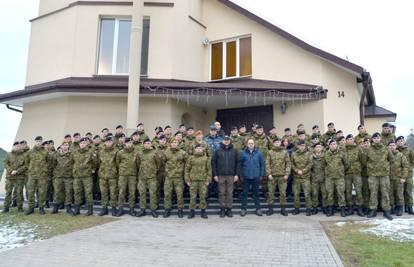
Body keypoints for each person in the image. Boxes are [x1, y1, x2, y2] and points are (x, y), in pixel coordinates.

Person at [362, 132, 393, 220]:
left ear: (380, 139)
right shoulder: (368, 149)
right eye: (374, 138)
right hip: (373, 175)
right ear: (372, 139)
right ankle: (373, 210)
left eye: (378, 138)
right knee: (373, 193)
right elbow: (364, 161)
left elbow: (391, 160)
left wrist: (385, 167)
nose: (376, 139)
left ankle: (386, 210)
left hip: (384, 175)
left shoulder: (386, 149)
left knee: (385, 193)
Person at [212, 136, 239, 217]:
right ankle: (222, 209)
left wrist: (236, 174)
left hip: (231, 175)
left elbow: (238, 163)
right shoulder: (217, 151)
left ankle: (229, 209)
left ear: (230, 141)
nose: (226, 141)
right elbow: (213, 163)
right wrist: (215, 174)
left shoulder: (234, 151)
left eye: (228, 140)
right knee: (221, 193)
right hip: (220, 175)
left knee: (230, 193)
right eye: (225, 140)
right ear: (222, 141)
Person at [136, 139, 163, 218]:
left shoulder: (155, 152)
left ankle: (153, 210)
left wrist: (154, 170)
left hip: (152, 177)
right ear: (143, 144)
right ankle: (142, 209)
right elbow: (138, 163)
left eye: (149, 143)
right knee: (142, 193)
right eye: (146, 143)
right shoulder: (140, 153)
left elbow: (159, 163)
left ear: (151, 144)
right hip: (142, 177)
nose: (147, 144)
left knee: (152, 193)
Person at [238, 139, 265, 217]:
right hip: (246, 176)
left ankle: (258, 209)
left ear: (254, 144)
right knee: (245, 193)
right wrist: (241, 175)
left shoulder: (259, 153)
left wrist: (261, 174)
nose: (251, 145)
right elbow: (240, 165)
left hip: (256, 176)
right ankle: (243, 209)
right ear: (247, 144)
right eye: (249, 143)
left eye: (252, 143)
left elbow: (262, 165)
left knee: (256, 193)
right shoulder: (243, 153)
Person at [26, 136, 52, 215]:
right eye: (37, 141)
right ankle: (31, 208)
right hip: (32, 175)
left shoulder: (45, 152)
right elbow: (27, 162)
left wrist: (45, 169)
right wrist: (31, 169)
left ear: (41, 142)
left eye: (40, 141)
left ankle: (41, 208)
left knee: (42, 192)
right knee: (30, 192)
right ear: (35, 141)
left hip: (42, 176)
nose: (38, 142)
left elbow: (49, 162)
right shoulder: (30, 152)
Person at [72, 137, 98, 216]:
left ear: (86, 144)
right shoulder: (75, 152)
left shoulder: (90, 152)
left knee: (88, 192)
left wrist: (93, 169)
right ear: (79, 144)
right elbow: (72, 162)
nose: (82, 144)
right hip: (77, 175)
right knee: (77, 192)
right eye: (81, 143)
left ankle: (90, 210)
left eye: (84, 143)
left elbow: (95, 162)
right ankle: (77, 210)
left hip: (87, 175)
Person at [162, 138, 188, 218]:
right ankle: (167, 210)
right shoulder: (166, 152)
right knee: (167, 194)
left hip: (178, 177)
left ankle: (180, 210)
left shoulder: (182, 153)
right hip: (169, 177)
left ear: (178, 143)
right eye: (172, 142)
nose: (174, 143)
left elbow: (187, 163)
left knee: (179, 195)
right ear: (170, 143)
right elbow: (162, 163)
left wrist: (181, 171)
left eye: (175, 142)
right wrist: (167, 171)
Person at [265, 138, 291, 216]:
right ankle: (270, 209)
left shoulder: (285, 152)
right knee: (271, 193)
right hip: (272, 176)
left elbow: (288, 164)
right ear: (273, 143)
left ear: (280, 143)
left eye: (278, 142)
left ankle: (283, 209)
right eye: (275, 142)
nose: (277, 143)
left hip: (282, 176)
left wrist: (287, 174)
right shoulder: (270, 152)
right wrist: (268, 174)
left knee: (283, 193)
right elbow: (267, 164)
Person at [185, 144, 212, 219]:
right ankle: (192, 211)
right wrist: (187, 179)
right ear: (195, 149)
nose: (199, 150)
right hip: (193, 181)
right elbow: (187, 169)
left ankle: (203, 211)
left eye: (200, 148)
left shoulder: (206, 158)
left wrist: (208, 180)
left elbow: (209, 170)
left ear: (203, 149)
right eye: (197, 148)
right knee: (192, 197)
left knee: (203, 196)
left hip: (203, 181)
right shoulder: (191, 158)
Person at [324, 139, 347, 217]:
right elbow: (324, 164)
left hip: (339, 177)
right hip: (329, 177)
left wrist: (341, 170)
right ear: (329, 145)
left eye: (334, 144)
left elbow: (346, 163)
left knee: (341, 193)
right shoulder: (326, 154)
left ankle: (342, 209)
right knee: (330, 193)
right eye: (331, 144)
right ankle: (331, 209)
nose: (333, 146)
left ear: (337, 145)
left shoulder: (341, 153)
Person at [116, 138, 139, 217]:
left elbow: (138, 163)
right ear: (124, 144)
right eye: (127, 142)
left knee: (132, 193)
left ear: (132, 143)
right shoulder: (120, 153)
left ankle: (131, 209)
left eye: (130, 142)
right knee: (121, 192)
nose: (129, 144)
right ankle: (120, 209)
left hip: (132, 175)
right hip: (123, 175)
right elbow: (117, 162)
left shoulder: (136, 153)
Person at [97, 137, 119, 217]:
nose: (109, 143)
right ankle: (104, 209)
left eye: (110, 141)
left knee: (113, 193)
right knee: (103, 193)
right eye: (107, 141)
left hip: (112, 175)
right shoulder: (101, 151)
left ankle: (113, 208)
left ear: (112, 143)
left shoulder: (116, 151)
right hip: (102, 175)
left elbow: (118, 163)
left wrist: (114, 170)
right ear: (105, 143)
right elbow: (98, 162)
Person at [50, 141, 74, 215]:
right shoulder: (56, 154)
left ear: (68, 146)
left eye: (66, 145)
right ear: (61, 146)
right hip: (58, 176)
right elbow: (53, 164)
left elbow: (74, 163)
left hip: (68, 177)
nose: (65, 146)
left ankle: (68, 208)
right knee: (57, 192)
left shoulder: (72, 154)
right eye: (63, 145)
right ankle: (55, 208)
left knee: (68, 192)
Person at [344, 134, 365, 217]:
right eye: (348, 139)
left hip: (356, 173)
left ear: (353, 140)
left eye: (351, 139)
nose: (349, 140)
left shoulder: (358, 149)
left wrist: (358, 168)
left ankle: (360, 209)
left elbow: (363, 161)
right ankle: (350, 209)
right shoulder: (343, 150)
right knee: (348, 191)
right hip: (347, 174)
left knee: (358, 191)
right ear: (346, 141)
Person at [3, 142, 27, 213]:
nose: (17, 147)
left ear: (20, 147)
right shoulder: (9, 154)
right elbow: (5, 163)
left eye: (19, 146)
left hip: (19, 177)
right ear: (13, 147)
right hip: (10, 177)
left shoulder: (24, 155)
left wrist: (17, 171)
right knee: (8, 193)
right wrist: (11, 171)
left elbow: (26, 165)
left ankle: (20, 208)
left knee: (19, 193)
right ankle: (6, 208)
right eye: (16, 146)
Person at [291, 140, 313, 216]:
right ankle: (296, 209)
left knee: (307, 194)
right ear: (298, 146)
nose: (302, 147)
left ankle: (308, 209)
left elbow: (310, 164)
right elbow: (291, 164)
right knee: (296, 194)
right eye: (300, 145)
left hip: (305, 177)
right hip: (296, 177)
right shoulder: (294, 154)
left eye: (303, 145)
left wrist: (303, 171)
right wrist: (297, 170)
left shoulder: (309, 154)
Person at [388, 140, 409, 216]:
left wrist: (403, 177)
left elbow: (405, 166)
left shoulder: (400, 155)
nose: (392, 147)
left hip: (398, 178)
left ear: (396, 146)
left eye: (393, 145)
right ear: (388, 147)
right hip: (389, 178)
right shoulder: (385, 155)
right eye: (390, 145)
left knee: (399, 194)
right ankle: (392, 208)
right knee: (390, 194)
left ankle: (400, 208)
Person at [396, 136, 414, 214]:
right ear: (396, 142)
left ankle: (409, 207)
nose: (400, 142)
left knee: (408, 191)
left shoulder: (409, 150)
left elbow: (413, 160)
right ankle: (401, 208)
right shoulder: (394, 150)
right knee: (400, 192)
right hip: (398, 175)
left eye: (402, 141)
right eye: (399, 141)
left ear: (404, 142)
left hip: (408, 174)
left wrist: (410, 168)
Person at [311, 143, 327, 215]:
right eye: (317, 147)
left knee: (324, 194)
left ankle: (324, 207)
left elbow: (328, 166)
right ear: (314, 149)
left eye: (320, 147)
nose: (318, 148)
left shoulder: (325, 156)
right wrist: (312, 175)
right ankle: (315, 208)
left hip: (323, 178)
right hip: (314, 178)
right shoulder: (311, 156)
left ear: (322, 148)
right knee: (315, 194)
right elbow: (309, 167)